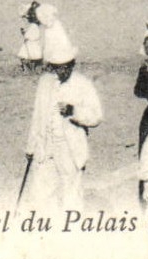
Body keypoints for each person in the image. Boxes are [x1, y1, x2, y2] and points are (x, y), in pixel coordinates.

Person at [22, 27, 103, 211]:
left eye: (65, 67)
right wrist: (31, 145)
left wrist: (74, 111)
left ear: (73, 64)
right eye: (57, 67)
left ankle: (71, 231)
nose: (61, 71)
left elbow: (96, 116)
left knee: (71, 195)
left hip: (70, 147)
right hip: (46, 145)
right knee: (40, 193)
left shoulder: (83, 84)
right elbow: (38, 115)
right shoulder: (45, 82)